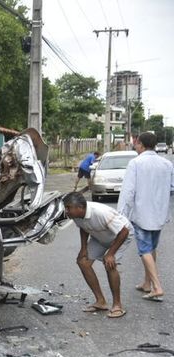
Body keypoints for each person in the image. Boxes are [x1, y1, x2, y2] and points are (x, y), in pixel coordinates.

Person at [117, 132, 174, 302]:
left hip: (141, 213)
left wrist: (120, 215)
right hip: (159, 213)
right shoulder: (167, 164)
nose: (134, 145)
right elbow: (171, 187)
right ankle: (147, 283)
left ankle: (157, 287)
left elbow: (128, 191)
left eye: (136, 143)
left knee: (144, 250)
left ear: (140, 144)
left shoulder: (136, 163)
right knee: (151, 248)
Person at [63, 191, 133, 318]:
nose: (66, 211)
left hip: (120, 236)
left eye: (68, 208)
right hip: (100, 235)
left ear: (79, 207)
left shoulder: (101, 213)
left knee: (109, 263)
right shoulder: (76, 215)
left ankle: (117, 305)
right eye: (66, 207)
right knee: (83, 261)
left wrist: (111, 253)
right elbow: (83, 228)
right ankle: (101, 301)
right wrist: (83, 248)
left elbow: (124, 232)